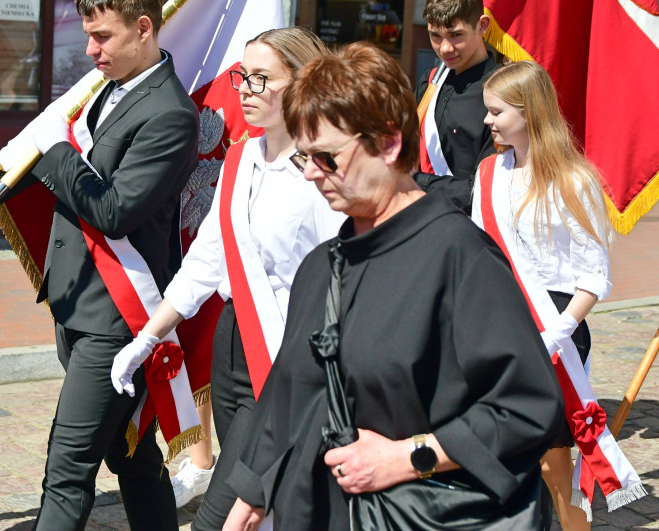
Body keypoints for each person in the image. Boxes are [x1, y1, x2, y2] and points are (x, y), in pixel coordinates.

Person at [223, 42, 563, 530]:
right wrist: (251, 498)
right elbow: (289, 394)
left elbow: (528, 407)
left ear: (389, 143)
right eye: (304, 159)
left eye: (328, 157)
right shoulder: (321, 268)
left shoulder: (459, 255)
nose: (314, 174)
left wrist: (408, 457)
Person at [0, 0, 198, 530]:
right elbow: (28, 149)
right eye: (88, 37)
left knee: (66, 470)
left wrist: (61, 155)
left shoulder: (170, 113)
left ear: (144, 28)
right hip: (79, 303)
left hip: (120, 317)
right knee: (132, 458)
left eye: (104, 36)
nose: (92, 50)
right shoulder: (102, 88)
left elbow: (115, 210)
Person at [110, 27, 345, 528]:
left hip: (288, 353)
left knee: (221, 516)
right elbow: (207, 261)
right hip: (232, 344)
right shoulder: (240, 159)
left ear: (304, 82)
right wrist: (149, 336)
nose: (245, 89)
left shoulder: (323, 172)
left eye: (262, 78)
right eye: (243, 76)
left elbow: (345, 274)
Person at [471, 61, 645, 530]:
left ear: (528, 112)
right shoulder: (488, 173)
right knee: (497, 451)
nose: (487, 121)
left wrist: (557, 331)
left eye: (496, 111)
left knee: (553, 463)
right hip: (499, 322)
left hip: (556, 327)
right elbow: (476, 252)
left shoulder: (576, 179)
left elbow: (595, 275)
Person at [415, 0, 502, 213]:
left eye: (455, 36)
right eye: (435, 36)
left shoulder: (502, 95)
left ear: (482, 26)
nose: (444, 48)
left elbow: (489, 189)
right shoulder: (429, 82)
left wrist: (419, 183)